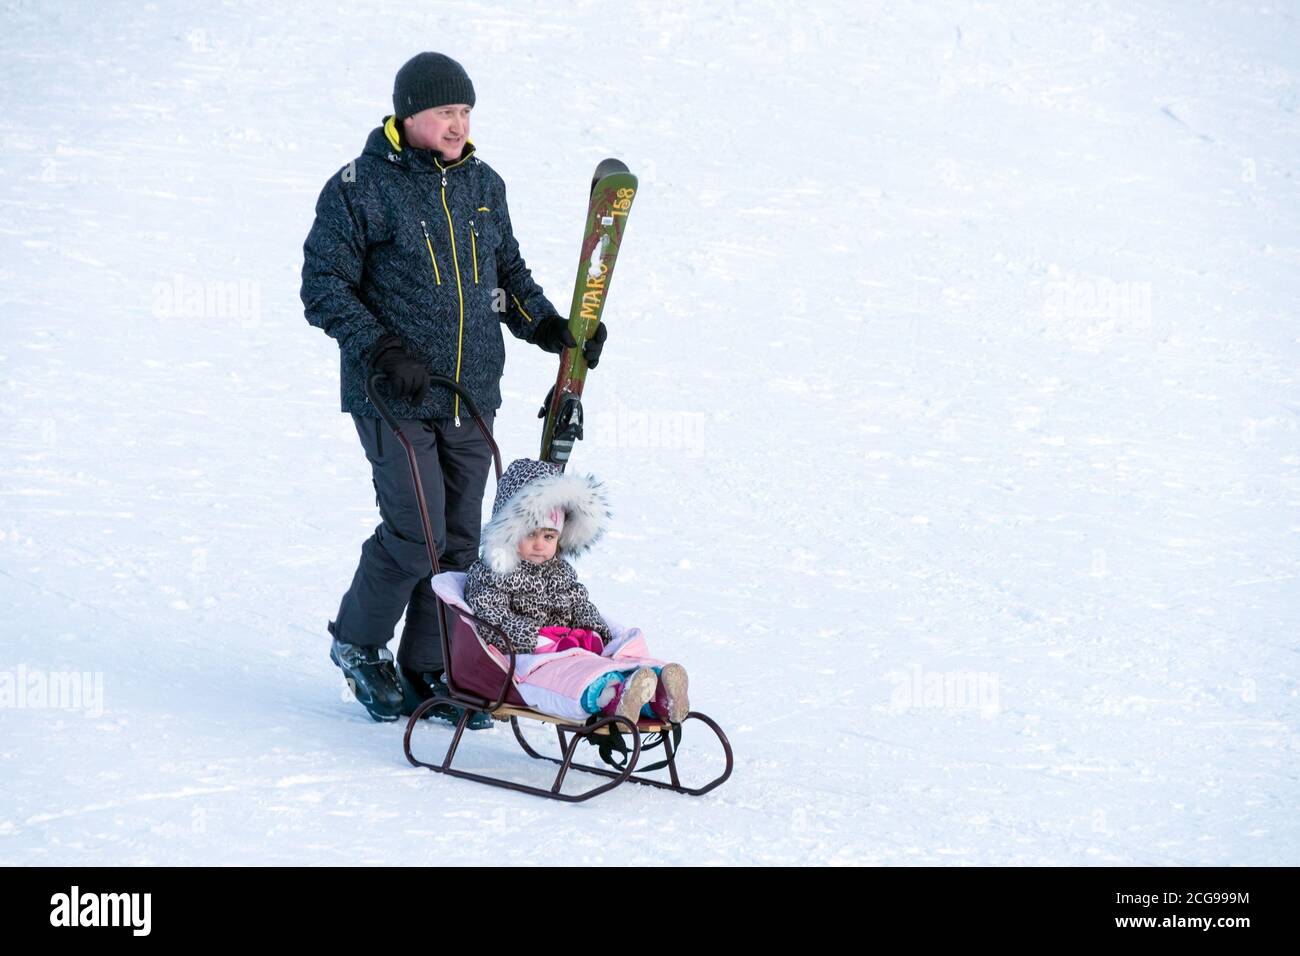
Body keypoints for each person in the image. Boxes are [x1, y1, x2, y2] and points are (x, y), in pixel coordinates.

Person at [300, 52, 607, 723]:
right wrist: (382, 347)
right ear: (409, 113)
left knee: (463, 542)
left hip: (472, 395)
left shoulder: (484, 185)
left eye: (465, 111)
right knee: (417, 533)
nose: (458, 123)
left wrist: (551, 327)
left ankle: (429, 665)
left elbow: (509, 277)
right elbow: (322, 288)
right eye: (446, 111)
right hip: (393, 393)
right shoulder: (358, 187)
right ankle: (357, 644)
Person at [463, 458, 689, 724]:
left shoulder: (560, 572)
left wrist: (597, 634)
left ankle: (657, 696)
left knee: (610, 658)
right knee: (573, 678)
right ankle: (612, 696)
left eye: (548, 537)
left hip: (570, 649)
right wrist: (540, 640)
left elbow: (579, 604)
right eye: (531, 535)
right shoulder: (493, 571)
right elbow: (491, 620)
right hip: (527, 659)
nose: (540, 545)